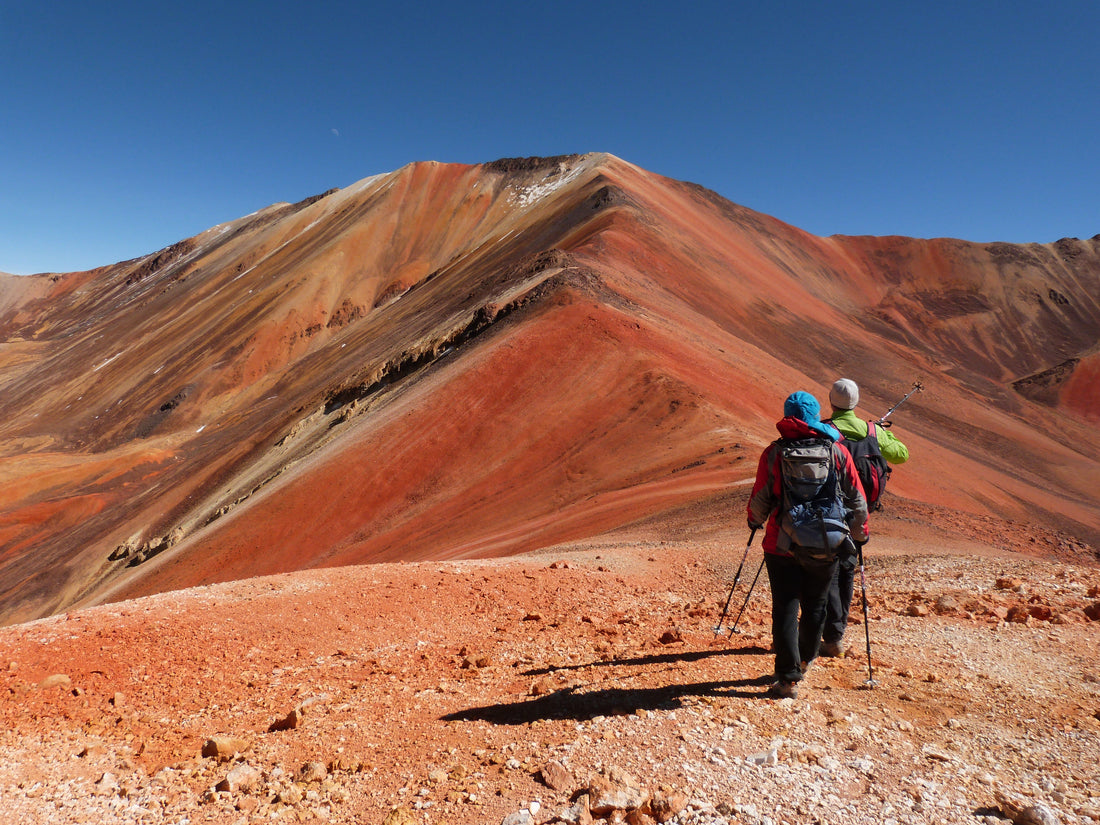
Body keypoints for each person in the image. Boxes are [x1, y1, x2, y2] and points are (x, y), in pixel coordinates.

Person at [748, 391, 869, 699]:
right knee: (816, 605)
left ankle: (787, 678)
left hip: (781, 543)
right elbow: (856, 497)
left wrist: (755, 520)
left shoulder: (774, 453)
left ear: (788, 416)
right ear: (816, 417)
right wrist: (860, 533)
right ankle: (803, 660)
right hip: (827, 540)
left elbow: (761, 496)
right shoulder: (837, 452)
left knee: (785, 607)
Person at [819, 378, 909, 658]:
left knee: (825, 570)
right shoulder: (873, 431)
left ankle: (824, 632)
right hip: (861, 512)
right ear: (856, 403)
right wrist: (883, 434)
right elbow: (902, 455)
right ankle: (836, 635)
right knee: (847, 569)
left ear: (832, 402)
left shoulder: (825, 430)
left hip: (829, 511)